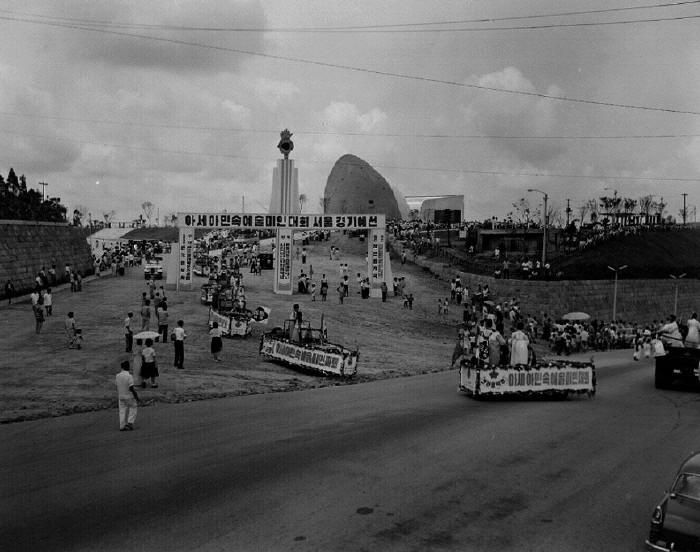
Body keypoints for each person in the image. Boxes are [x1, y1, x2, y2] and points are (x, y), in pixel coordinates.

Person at [116, 360, 139, 431]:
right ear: (128, 367)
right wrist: (136, 397)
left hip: (121, 396)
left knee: (122, 411)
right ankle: (130, 423)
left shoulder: (117, 376)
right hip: (129, 396)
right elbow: (131, 388)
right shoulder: (129, 376)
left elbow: (116, 386)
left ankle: (122, 426)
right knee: (133, 407)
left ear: (121, 367)